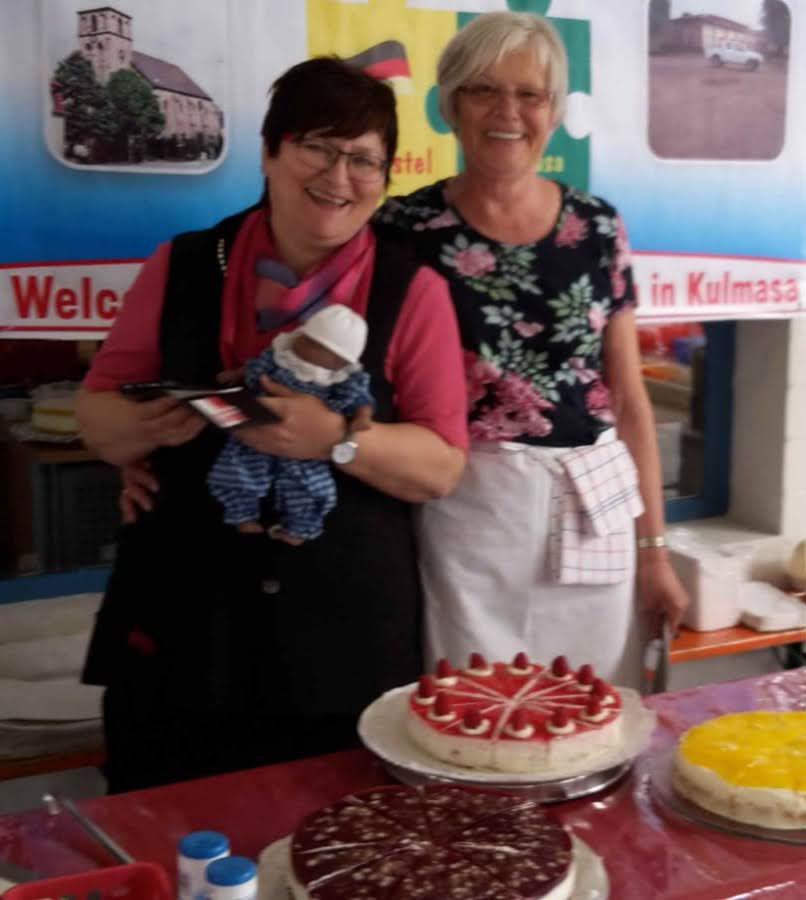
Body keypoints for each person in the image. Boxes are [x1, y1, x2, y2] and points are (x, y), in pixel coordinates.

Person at [76, 58, 468, 792]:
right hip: (182, 615)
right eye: (319, 146)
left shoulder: (411, 290)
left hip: (344, 632)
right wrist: (145, 430)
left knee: (338, 842)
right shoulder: (186, 263)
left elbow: (443, 464)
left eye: (364, 160)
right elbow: (97, 413)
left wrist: (340, 441)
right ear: (270, 150)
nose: (339, 176)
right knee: (166, 832)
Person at [373, 11, 688, 687]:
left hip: (593, 500)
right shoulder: (401, 230)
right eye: (485, 90)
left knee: (589, 700)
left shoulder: (598, 226)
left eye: (531, 94)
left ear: (555, 110)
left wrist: (655, 551)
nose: (508, 112)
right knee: (472, 700)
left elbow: (631, 399)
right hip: (469, 505)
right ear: (451, 104)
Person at [206, 305, 375, 544]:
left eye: (314, 344)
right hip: (258, 432)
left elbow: (361, 399)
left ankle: (300, 528)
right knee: (236, 470)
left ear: (339, 360)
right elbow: (255, 367)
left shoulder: (343, 379)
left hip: (308, 450)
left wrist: (361, 417)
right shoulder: (282, 355)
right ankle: (241, 514)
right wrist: (236, 374)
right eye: (305, 337)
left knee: (308, 489)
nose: (301, 343)